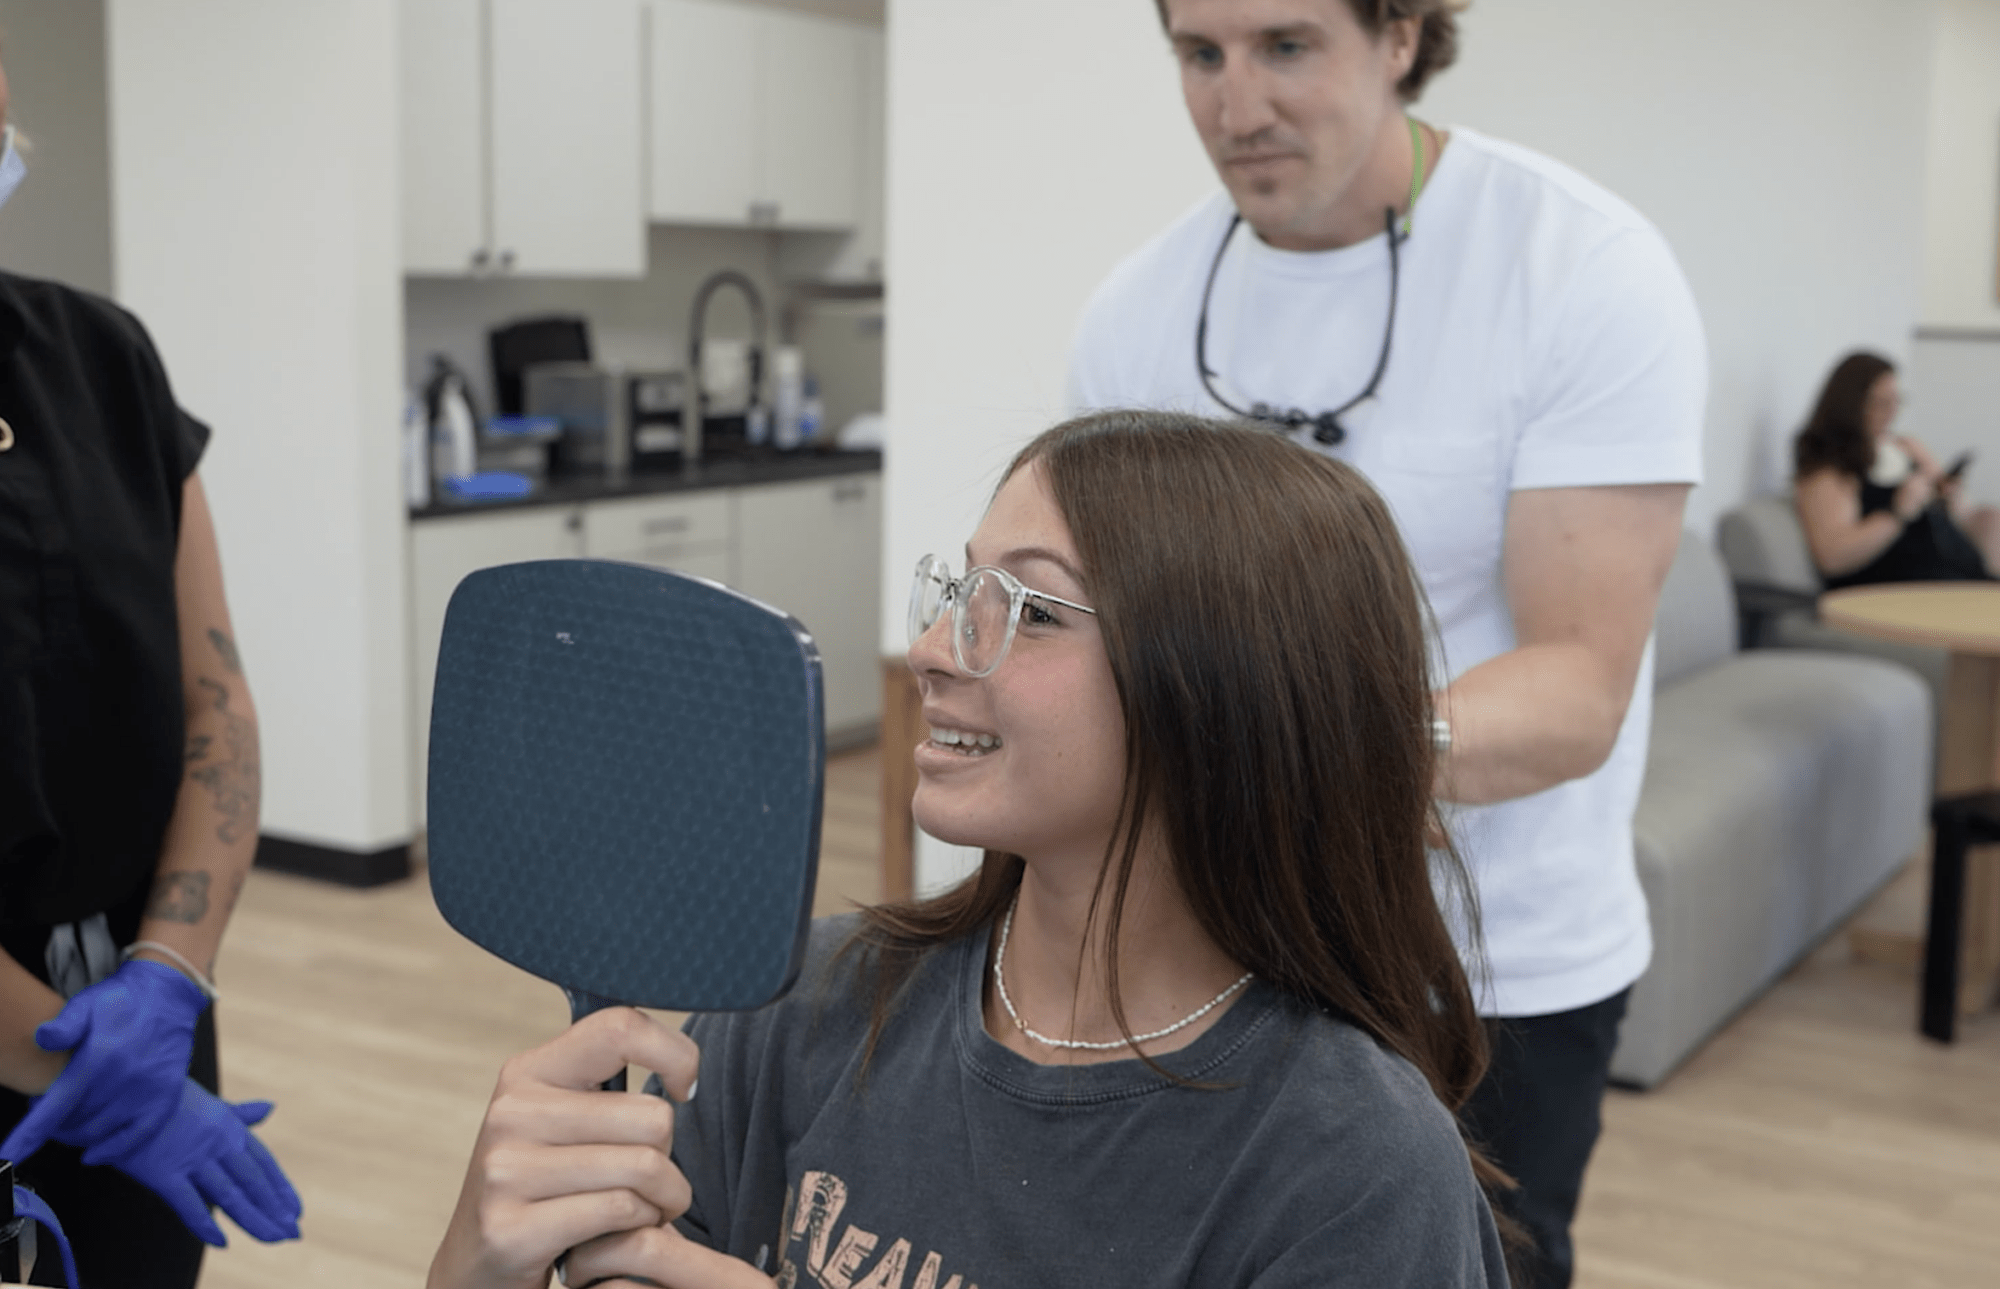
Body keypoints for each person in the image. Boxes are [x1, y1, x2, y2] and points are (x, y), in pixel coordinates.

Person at [430, 413, 1511, 1288]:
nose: (933, 650)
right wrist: (481, 1266)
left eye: (1029, 609)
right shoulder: (803, 1004)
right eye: (960, 591)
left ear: (1227, 686)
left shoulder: (1351, 1166)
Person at [1065, 3, 1707, 1285]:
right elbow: (1114, 646)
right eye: (1200, 54)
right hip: (1217, 943)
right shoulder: (1136, 311)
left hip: (1491, 970)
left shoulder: (1576, 266)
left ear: (1401, 36)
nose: (1234, 105)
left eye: (1285, 46)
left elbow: (1576, 687)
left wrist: (1313, 757)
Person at [0, 54, 300, 1287]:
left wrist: (168, 974)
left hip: (140, 1009)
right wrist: (74, 1068)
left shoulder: (102, 357)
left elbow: (214, 702)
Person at [1793, 351, 1998, 589]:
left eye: (1896, 401)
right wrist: (1897, 512)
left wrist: (1948, 495)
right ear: (1850, 404)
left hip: (1957, 577)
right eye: (1880, 403)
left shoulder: (1906, 447)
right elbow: (1834, 558)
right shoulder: (1831, 470)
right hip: (1900, 590)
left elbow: (1959, 511)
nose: (1891, 412)